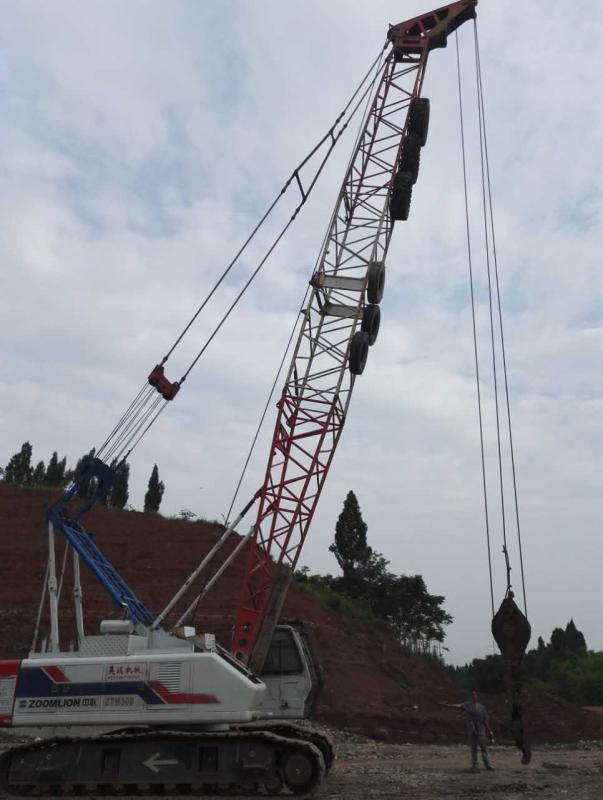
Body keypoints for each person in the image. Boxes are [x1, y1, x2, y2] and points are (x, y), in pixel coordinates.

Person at [441, 690, 494, 771]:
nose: (474, 696)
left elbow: (485, 720)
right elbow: (458, 706)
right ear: (471, 696)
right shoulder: (467, 705)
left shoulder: (481, 707)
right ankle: (474, 765)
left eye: (475, 695)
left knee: (483, 746)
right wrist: (448, 705)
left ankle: (487, 765)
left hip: (481, 728)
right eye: (472, 695)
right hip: (472, 728)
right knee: (474, 747)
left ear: (477, 696)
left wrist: (489, 730)